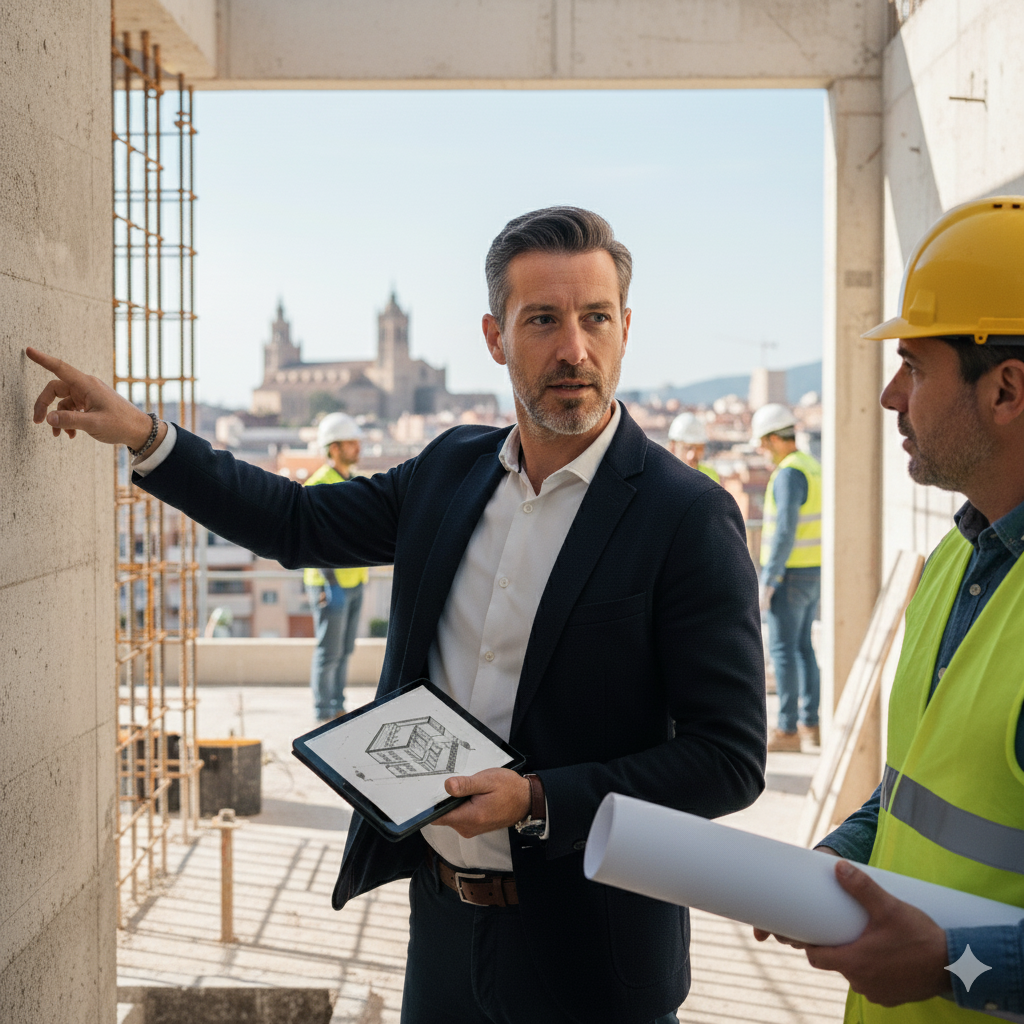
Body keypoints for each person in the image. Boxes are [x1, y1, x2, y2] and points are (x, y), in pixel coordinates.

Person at [28, 206, 767, 1024]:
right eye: (543, 320)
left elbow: (728, 760)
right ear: (495, 336)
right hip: (442, 929)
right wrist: (143, 434)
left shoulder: (687, 515)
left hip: (593, 955)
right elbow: (296, 522)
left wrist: (536, 798)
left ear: (626, 327)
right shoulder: (450, 470)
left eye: (595, 319)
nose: (574, 350)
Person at [755, 197, 1024, 1022]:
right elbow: (922, 784)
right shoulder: (956, 560)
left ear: (1006, 388)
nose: (888, 395)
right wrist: (848, 856)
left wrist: (953, 964)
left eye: (913, 364)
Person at [751, 402, 822, 752]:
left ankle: (788, 730)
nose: (762, 451)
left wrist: (770, 579)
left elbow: (784, 531)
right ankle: (810, 723)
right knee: (804, 648)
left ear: (776, 439)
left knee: (783, 650)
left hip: (791, 574)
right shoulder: (810, 466)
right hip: (812, 570)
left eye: (763, 443)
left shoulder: (789, 473)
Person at [304, 412, 369, 721]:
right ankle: (322, 711)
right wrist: (330, 583)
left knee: (345, 651)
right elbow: (312, 538)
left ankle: (337, 705)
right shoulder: (318, 485)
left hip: (354, 580)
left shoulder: (353, 482)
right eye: (350, 442)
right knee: (328, 652)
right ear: (333, 448)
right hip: (329, 583)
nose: (358, 448)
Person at [666, 412, 720, 482]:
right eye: (687, 448)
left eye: (698, 448)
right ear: (673, 447)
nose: (691, 456)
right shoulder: (661, 477)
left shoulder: (710, 476)